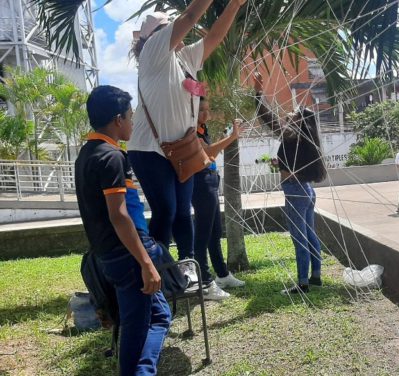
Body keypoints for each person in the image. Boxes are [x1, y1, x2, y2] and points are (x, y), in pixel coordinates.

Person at [127, 0, 246, 282]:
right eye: (168, 27)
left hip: (180, 149)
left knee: (182, 211)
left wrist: (234, 6)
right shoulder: (154, 52)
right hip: (149, 149)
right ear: (154, 35)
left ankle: (189, 272)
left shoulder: (185, 59)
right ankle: (155, 270)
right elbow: (191, 15)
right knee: (166, 209)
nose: (177, 32)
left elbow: (215, 36)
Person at [75, 85, 170, 375]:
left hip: (107, 254)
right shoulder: (112, 157)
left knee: (160, 315)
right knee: (136, 327)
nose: (132, 122)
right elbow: (119, 215)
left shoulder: (86, 154)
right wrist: (145, 263)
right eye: (130, 116)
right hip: (126, 257)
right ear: (117, 119)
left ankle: (141, 370)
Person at [253, 73, 327, 295]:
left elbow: (269, 120)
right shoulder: (304, 139)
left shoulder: (292, 134)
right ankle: (315, 276)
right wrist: (277, 163)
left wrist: (258, 95)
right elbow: (290, 163)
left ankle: (302, 283)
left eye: (294, 113)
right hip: (306, 190)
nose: (289, 113)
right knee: (310, 234)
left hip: (295, 192)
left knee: (299, 238)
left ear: (298, 121)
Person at [192, 97, 245, 300]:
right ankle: (204, 282)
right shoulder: (191, 132)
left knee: (214, 232)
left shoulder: (203, 130)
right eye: (200, 111)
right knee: (203, 234)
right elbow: (208, 152)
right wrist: (233, 136)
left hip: (211, 180)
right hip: (201, 184)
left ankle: (222, 274)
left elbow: (210, 155)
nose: (205, 114)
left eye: (207, 109)